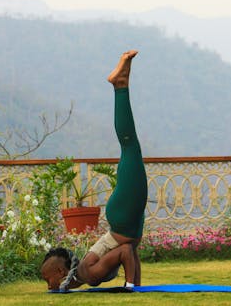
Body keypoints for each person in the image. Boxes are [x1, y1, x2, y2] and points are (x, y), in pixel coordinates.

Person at [41, 50, 148, 291]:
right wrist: (136, 286)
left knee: (130, 145)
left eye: (48, 280)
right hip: (125, 224)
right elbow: (130, 251)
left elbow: (124, 251)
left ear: (60, 272)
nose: (49, 286)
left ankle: (120, 85)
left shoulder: (89, 274)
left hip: (122, 221)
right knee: (129, 146)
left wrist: (130, 286)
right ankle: (121, 84)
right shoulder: (86, 273)